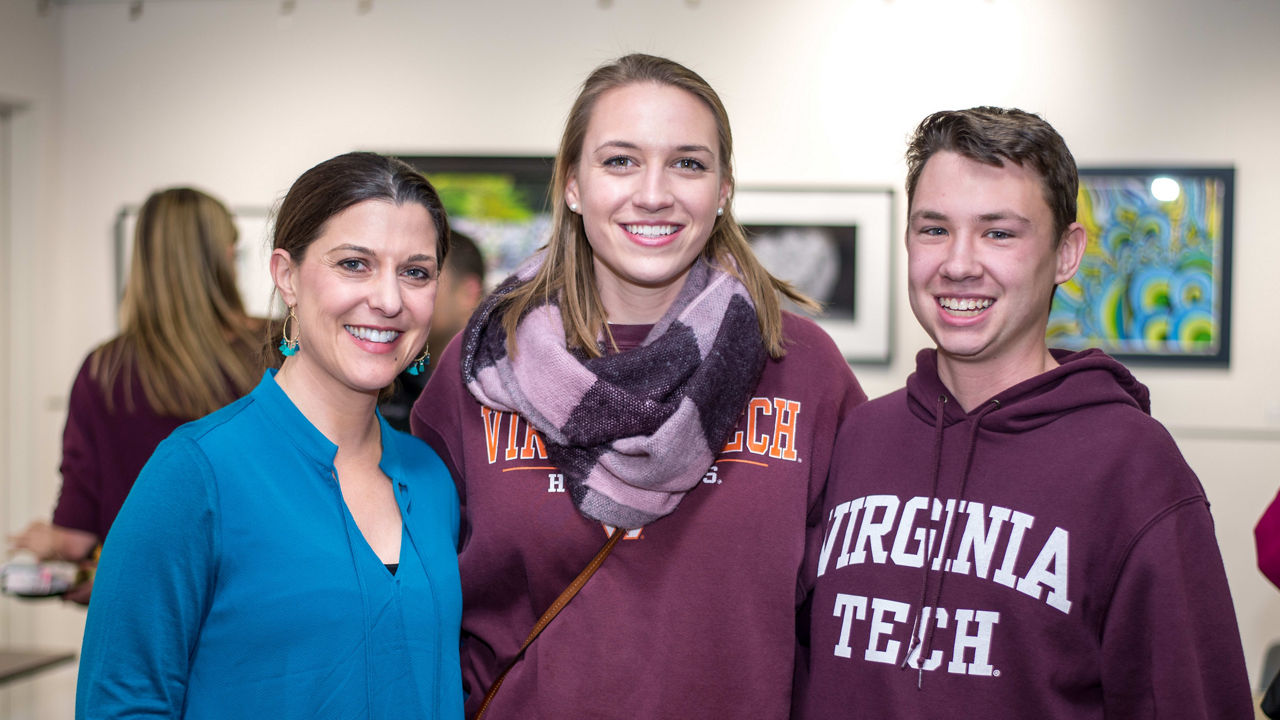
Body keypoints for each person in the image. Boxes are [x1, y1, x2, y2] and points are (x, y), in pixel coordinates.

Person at [411, 53, 866, 719]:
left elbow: (850, 613)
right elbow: (417, 607)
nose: (653, 193)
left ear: (724, 189)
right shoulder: (481, 365)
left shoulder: (802, 367)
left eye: (688, 162)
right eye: (620, 161)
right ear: (572, 185)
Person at [794, 107, 1253, 718]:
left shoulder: (1133, 466)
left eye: (999, 233)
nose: (958, 264)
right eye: (934, 229)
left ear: (1066, 254)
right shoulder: (859, 437)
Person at [76, 152, 464, 719]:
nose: (388, 300)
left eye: (416, 272)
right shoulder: (196, 473)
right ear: (286, 276)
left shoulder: (432, 479)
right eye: (354, 264)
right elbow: (122, 702)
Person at [6, 187, 261, 604]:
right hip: (255, 604)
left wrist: (45, 541)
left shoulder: (105, 371)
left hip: (148, 614)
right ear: (227, 255)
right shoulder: (278, 351)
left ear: (143, 264)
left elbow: (75, 538)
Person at [379, 229, 485, 432]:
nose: (396, 297)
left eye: (419, 275)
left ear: (469, 293)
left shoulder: (507, 390)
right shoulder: (385, 381)